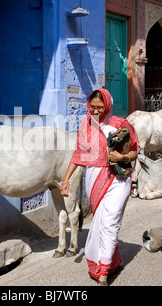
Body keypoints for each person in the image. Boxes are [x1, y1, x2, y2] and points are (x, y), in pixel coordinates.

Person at [60, 88, 138, 286]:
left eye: (100, 107)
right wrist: (66, 179)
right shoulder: (86, 124)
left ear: (108, 105)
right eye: (92, 106)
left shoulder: (120, 124)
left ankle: (102, 271)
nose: (95, 111)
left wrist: (123, 157)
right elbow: (78, 154)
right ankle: (114, 260)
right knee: (101, 222)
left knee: (110, 222)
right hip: (94, 179)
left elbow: (135, 151)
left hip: (118, 179)